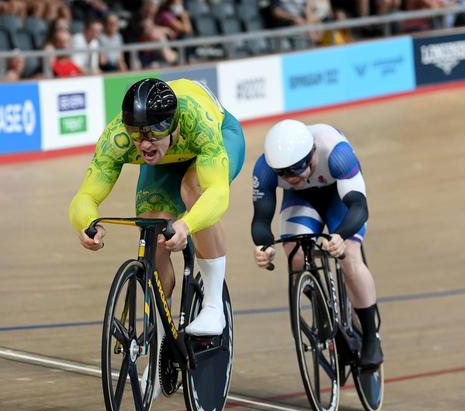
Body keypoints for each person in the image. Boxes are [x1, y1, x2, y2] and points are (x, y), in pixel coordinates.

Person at [69, 78, 245, 344]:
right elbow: (86, 195)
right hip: (169, 156)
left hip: (220, 135)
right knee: (152, 226)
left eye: (152, 134)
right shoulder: (117, 137)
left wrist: (186, 225)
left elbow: (218, 194)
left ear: (172, 126)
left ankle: (213, 306)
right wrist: (86, 222)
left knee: (193, 188)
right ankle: (163, 338)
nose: (144, 144)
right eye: (137, 135)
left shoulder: (196, 122)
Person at [251, 119, 383, 368]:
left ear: (312, 153)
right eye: (284, 173)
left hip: (338, 195)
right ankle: (322, 307)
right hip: (302, 200)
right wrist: (263, 246)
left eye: (297, 169)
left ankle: (370, 337)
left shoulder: (336, 153)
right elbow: (261, 218)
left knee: (349, 258)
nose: (291, 178)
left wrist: (341, 236)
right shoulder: (265, 168)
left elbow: (358, 206)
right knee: (296, 256)